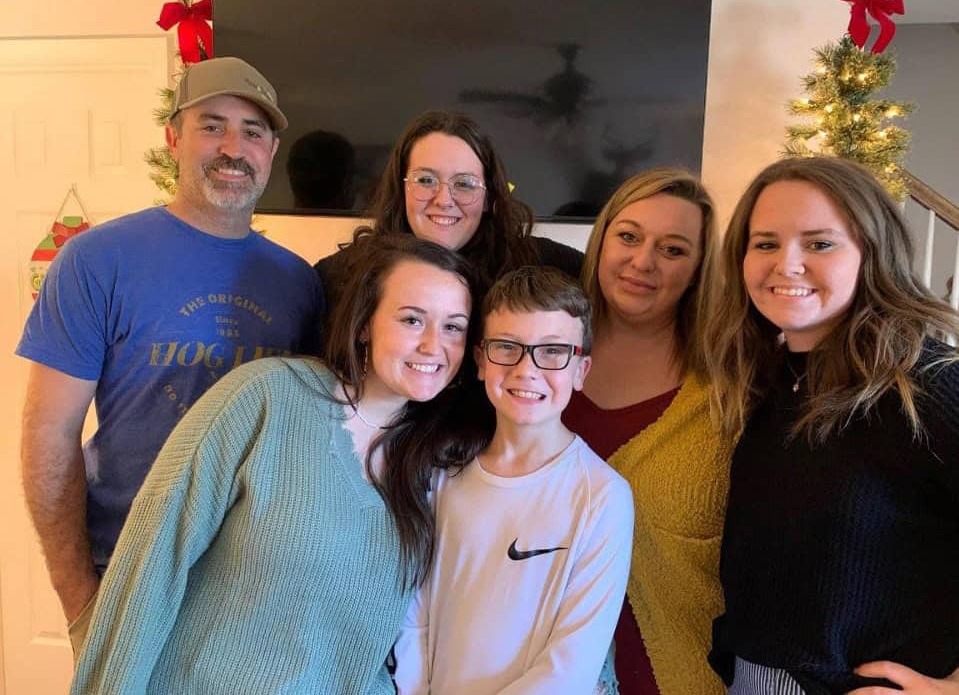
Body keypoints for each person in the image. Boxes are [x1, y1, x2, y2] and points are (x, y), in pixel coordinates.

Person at [70, 234, 477, 694]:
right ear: (365, 323)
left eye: (453, 327)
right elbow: (153, 560)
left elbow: (366, 654)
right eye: (411, 319)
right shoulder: (265, 398)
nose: (432, 345)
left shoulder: (438, 466)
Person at [15, 56, 324, 654]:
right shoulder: (96, 260)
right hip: (124, 576)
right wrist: (79, 598)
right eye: (212, 125)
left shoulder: (298, 282)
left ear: (272, 151)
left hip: (254, 593)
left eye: (253, 132)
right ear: (173, 138)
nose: (233, 147)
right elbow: (49, 434)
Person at [704, 157, 959, 695]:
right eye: (766, 243)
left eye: (819, 244)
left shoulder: (927, 383)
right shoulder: (776, 380)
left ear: (873, 252)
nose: (786, 264)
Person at [394, 266, 633, 695]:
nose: (527, 370)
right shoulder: (442, 476)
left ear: (581, 370)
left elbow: (572, 667)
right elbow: (416, 617)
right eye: (508, 347)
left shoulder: (603, 496)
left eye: (554, 351)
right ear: (481, 361)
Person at [563, 168, 731, 695]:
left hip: (674, 675)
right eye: (629, 236)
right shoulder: (538, 358)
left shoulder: (730, 389)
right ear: (602, 239)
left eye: (673, 249)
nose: (643, 262)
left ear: (699, 268)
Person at [315, 110, 584, 327]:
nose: (443, 200)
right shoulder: (338, 275)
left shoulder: (543, 263)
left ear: (490, 197)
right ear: (401, 189)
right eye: (426, 180)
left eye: (465, 184)